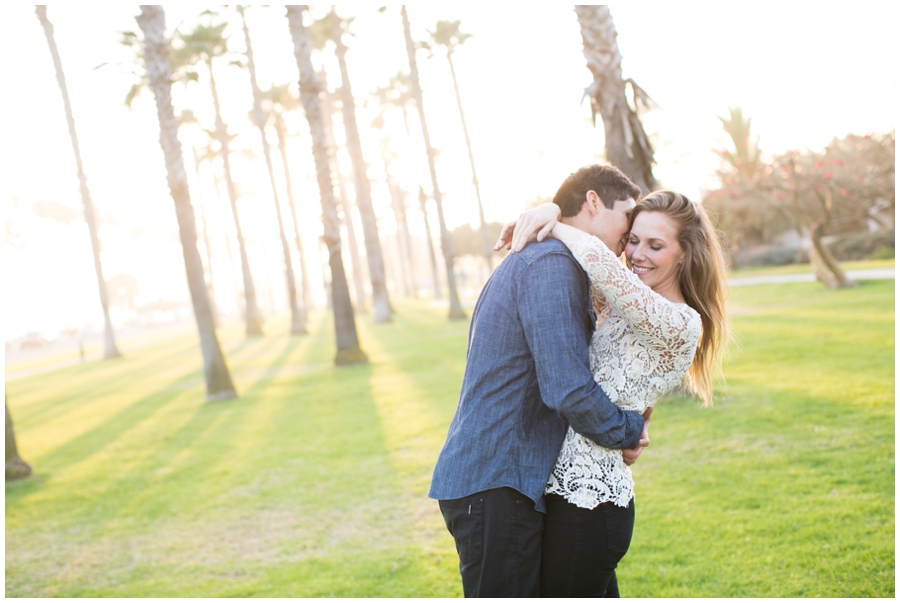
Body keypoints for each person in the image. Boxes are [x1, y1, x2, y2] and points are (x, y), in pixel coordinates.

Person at [428, 165, 649, 597]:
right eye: (627, 214)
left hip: (502, 481)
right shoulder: (550, 264)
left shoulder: (557, 259)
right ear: (592, 202)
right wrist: (628, 429)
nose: (631, 230)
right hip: (495, 482)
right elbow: (566, 387)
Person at [500, 189, 729, 596]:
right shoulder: (623, 304)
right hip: (562, 493)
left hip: (592, 505)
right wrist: (553, 209)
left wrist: (554, 219)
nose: (637, 254)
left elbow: (598, 260)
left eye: (655, 245)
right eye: (634, 240)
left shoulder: (680, 322)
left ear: (685, 254)